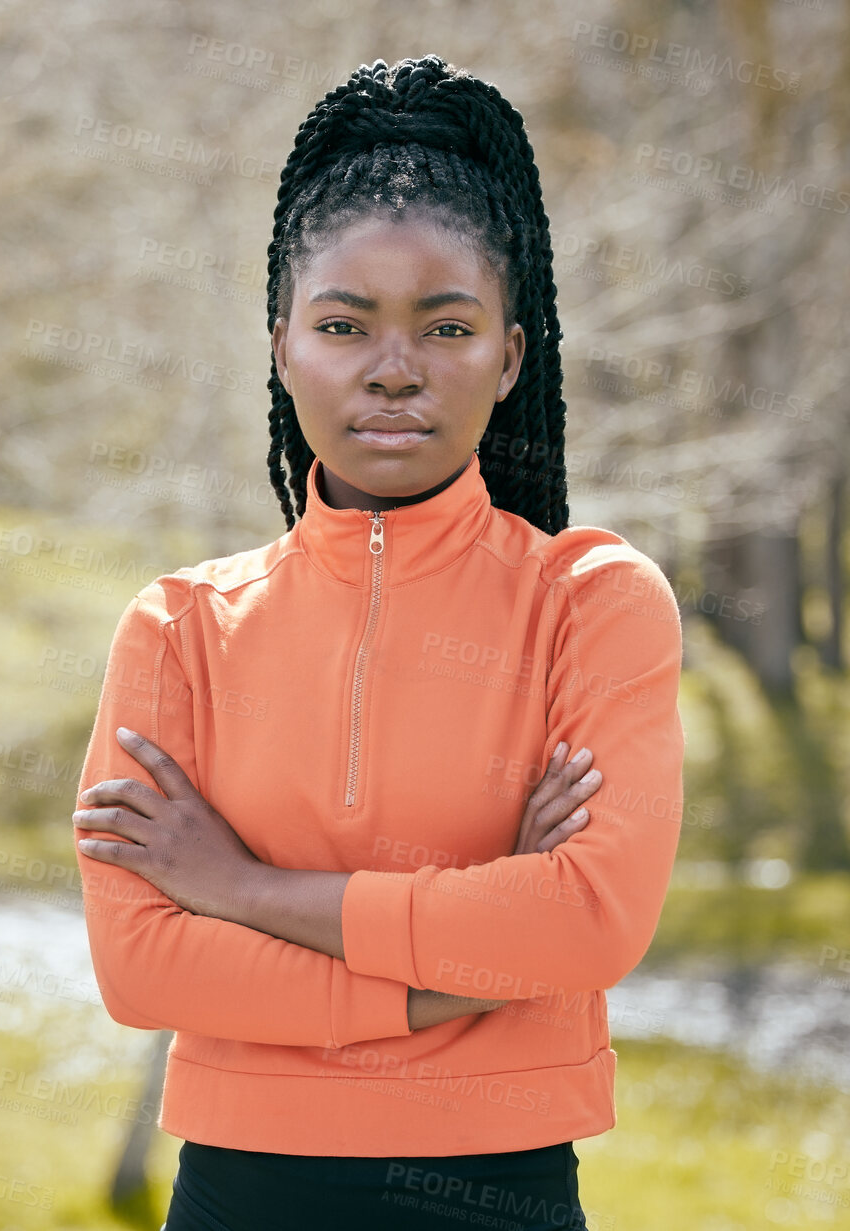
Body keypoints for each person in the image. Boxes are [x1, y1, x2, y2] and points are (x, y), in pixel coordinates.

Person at [71, 55, 686, 1230]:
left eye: (445, 326)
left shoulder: (590, 599)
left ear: (509, 354)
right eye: (344, 325)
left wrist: (240, 886)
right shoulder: (179, 625)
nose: (393, 368)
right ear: (281, 345)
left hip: (496, 1192)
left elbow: (588, 923)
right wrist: (453, 978)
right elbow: (141, 966)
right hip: (236, 1196)